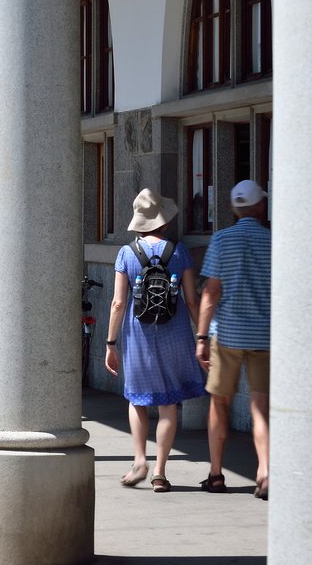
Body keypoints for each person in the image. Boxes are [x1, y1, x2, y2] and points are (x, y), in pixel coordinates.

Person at [104, 189, 205, 493]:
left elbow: (118, 303)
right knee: (168, 404)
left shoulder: (126, 253)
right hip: (175, 334)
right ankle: (160, 472)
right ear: (164, 221)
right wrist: (202, 335)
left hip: (139, 336)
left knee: (137, 400)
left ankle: (139, 460)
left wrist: (110, 343)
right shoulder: (180, 252)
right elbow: (191, 300)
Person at [196, 179, 272, 500]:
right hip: (264, 335)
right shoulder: (274, 241)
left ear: (233, 208)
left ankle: (216, 473)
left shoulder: (221, 239)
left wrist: (201, 336)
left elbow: (211, 291)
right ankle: (265, 471)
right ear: (261, 205)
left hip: (226, 333)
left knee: (219, 402)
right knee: (260, 406)